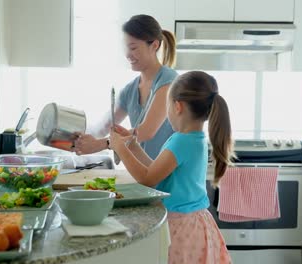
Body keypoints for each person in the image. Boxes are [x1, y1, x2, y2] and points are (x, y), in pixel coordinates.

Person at [109, 71, 233, 264]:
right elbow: (157, 171)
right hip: (193, 223)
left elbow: (148, 178)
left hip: (181, 226)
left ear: (177, 106)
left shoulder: (182, 142)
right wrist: (131, 145)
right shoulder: (192, 139)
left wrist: (119, 148)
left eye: (167, 104)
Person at [74, 14, 178, 160]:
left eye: (133, 48)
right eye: (126, 48)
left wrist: (100, 144)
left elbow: (147, 131)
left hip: (168, 176)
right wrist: (74, 134)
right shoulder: (130, 90)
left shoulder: (169, 80)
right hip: (144, 175)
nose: (128, 54)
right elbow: (102, 128)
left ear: (154, 45)